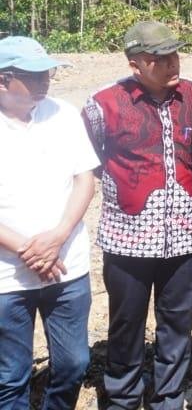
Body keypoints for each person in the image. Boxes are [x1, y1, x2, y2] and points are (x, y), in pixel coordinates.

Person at [82, 21, 192, 410]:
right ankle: (123, 397)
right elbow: (88, 161)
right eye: (160, 59)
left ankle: (169, 396)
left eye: (175, 54)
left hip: (185, 235)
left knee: (177, 323)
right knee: (126, 324)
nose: (173, 64)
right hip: (128, 239)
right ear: (136, 65)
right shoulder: (103, 104)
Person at [0, 36, 97, 410]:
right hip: (8, 277)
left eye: (48, 73)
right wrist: (30, 250)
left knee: (74, 364)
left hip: (66, 267)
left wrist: (57, 238)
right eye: (34, 75)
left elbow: (84, 179)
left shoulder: (64, 114)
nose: (46, 81)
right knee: (10, 375)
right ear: (3, 80)